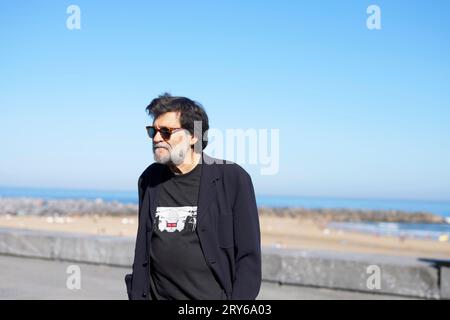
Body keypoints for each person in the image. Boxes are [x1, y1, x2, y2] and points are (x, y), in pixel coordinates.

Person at [125, 93, 261, 300]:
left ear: (194, 135)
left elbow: (248, 257)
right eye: (153, 130)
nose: (156, 138)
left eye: (166, 131)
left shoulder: (232, 178)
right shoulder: (149, 179)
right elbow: (144, 246)